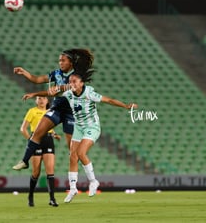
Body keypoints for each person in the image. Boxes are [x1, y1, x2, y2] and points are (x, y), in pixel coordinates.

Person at [61, 71, 137, 203]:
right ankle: (73, 188)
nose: (71, 83)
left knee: (80, 153)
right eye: (70, 81)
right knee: (72, 156)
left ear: (81, 83)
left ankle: (93, 181)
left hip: (92, 127)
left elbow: (108, 100)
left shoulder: (89, 93)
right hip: (78, 127)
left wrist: (126, 106)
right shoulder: (67, 94)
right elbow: (52, 96)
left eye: (74, 81)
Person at [12, 49, 94, 170]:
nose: (60, 63)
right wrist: (25, 72)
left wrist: (57, 89)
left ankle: (81, 180)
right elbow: (38, 79)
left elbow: (69, 88)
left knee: (73, 150)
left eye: (63, 60)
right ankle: (25, 161)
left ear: (70, 63)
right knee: (37, 132)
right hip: (57, 108)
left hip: (71, 112)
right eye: (59, 60)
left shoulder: (77, 76)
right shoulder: (56, 74)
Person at [19, 96, 60, 207]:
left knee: (50, 171)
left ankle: (52, 199)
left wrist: (54, 134)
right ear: (36, 100)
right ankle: (30, 196)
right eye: (39, 98)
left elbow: (49, 126)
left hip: (48, 140)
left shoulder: (51, 111)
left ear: (47, 101)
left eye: (44, 98)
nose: (41, 100)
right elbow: (23, 129)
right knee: (36, 172)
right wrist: (31, 141)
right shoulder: (32, 111)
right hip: (36, 140)